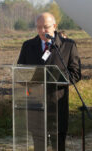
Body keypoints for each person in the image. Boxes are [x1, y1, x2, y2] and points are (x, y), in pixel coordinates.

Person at [17, 12, 81, 151]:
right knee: (39, 145)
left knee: (58, 145)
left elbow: (75, 74)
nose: (42, 31)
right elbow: (20, 72)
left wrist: (56, 79)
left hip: (57, 103)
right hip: (36, 104)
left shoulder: (68, 46)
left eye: (45, 27)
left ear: (54, 26)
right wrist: (29, 79)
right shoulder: (28, 46)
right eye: (38, 27)